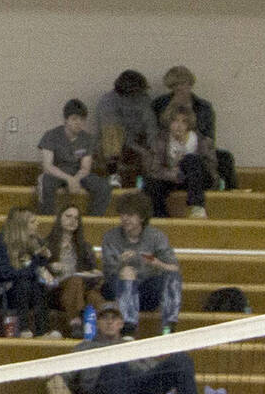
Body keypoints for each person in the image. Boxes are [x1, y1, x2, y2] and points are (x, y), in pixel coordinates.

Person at [71, 304, 206, 394]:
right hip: (102, 393)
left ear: (121, 324)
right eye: (104, 318)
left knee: (181, 359)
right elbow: (59, 377)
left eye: (114, 318)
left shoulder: (134, 347)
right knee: (114, 361)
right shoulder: (83, 348)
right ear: (97, 323)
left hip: (136, 391)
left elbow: (155, 371)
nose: (109, 322)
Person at [99, 194, 182, 332]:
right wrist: (121, 263)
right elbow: (108, 271)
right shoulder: (111, 237)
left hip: (147, 287)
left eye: (130, 215)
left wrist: (157, 263)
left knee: (172, 276)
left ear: (142, 217)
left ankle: (170, 324)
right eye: (123, 214)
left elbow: (173, 267)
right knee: (127, 272)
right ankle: (128, 326)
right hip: (117, 287)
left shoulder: (156, 236)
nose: (125, 219)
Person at [151, 66, 236, 189]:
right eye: (176, 85)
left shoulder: (203, 106)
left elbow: (209, 135)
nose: (180, 88)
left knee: (225, 157)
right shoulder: (159, 104)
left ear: (190, 84)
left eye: (183, 83)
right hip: (168, 150)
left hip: (196, 148)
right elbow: (155, 131)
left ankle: (232, 191)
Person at [0, 206, 55, 338]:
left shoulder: (37, 242)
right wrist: (33, 270)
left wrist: (44, 260)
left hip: (30, 288)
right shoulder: (2, 241)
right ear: (21, 225)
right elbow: (4, 272)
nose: (37, 224)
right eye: (32, 221)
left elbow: (38, 270)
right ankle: (23, 328)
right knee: (23, 284)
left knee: (37, 286)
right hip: (4, 289)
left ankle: (43, 331)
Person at [36, 100, 109, 217]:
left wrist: (76, 179)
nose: (78, 123)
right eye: (74, 119)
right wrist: (69, 179)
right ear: (66, 119)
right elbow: (48, 166)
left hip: (78, 173)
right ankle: (48, 219)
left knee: (104, 186)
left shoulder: (88, 139)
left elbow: (85, 168)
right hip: (57, 173)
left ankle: (92, 221)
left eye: (82, 120)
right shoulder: (51, 135)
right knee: (46, 182)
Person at [143, 106, 216, 219]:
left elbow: (210, 166)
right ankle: (161, 216)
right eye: (175, 121)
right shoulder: (160, 140)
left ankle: (197, 207)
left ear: (189, 125)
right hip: (172, 178)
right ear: (169, 123)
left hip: (198, 180)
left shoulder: (202, 141)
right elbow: (154, 169)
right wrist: (174, 174)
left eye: (183, 121)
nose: (179, 125)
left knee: (191, 159)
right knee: (151, 183)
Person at [41, 204, 98, 335]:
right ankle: (75, 322)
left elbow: (93, 273)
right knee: (75, 280)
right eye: (68, 216)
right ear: (59, 218)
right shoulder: (47, 244)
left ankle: (110, 334)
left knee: (95, 297)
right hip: (54, 290)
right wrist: (50, 267)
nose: (73, 220)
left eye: (76, 218)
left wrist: (92, 274)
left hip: (80, 288)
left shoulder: (84, 247)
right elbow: (38, 268)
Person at [92, 69, 157, 184]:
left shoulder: (144, 99)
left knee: (156, 148)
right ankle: (114, 179)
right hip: (114, 145)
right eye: (137, 91)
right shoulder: (108, 102)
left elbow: (151, 126)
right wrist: (141, 150)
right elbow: (115, 133)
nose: (140, 94)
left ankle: (144, 185)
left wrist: (154, 148)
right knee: (112, 134)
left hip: (138, 141)